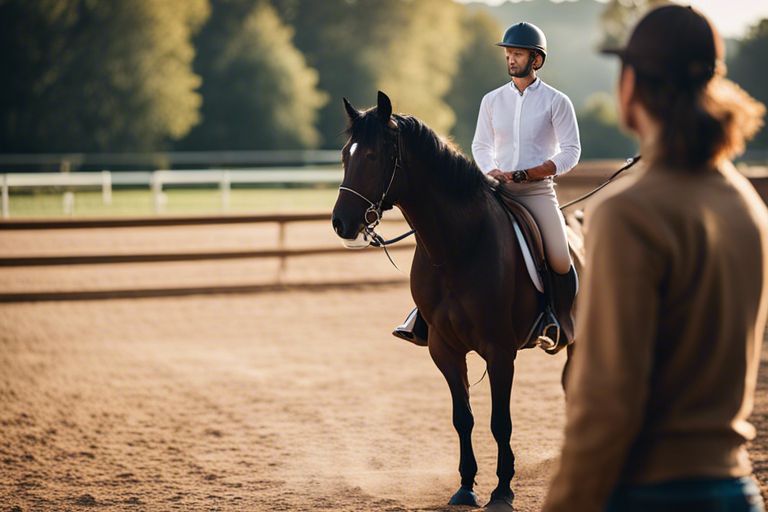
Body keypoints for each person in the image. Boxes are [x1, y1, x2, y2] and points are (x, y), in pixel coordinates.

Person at [542, 5, 768, 512]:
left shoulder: (627, 215)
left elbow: (607, 405)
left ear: (633, 84)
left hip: (651, 491)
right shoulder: (747, 206)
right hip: (736, 490)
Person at [393, 22, 582, 353]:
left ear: (536, 60)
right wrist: (490, 169)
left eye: (518, 54)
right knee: (448, 238)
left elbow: (571, 151)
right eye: (508, 54)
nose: (510, 59)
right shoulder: (492, 100)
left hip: (536, 193)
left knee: (559, 257)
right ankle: (425, 316)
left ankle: (556, 319)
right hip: (494, 189)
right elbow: (480, 145)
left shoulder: (556, 101)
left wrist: (535, 172)